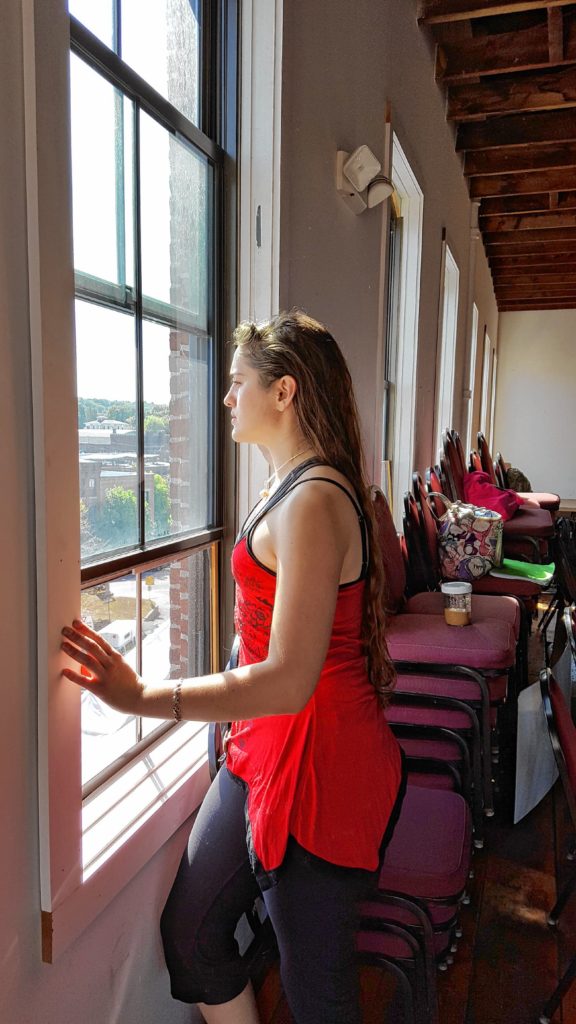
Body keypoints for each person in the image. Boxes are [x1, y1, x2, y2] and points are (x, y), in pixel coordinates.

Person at [61, 310, 404, 1024]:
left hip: (321, 774)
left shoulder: (314, 501)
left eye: (237, 381)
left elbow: (288, 679)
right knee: (190, 936)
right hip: (260, 751)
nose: (225, 398)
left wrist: (142, 695)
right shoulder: (285, 484)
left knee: (319, 998)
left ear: (284, 391)